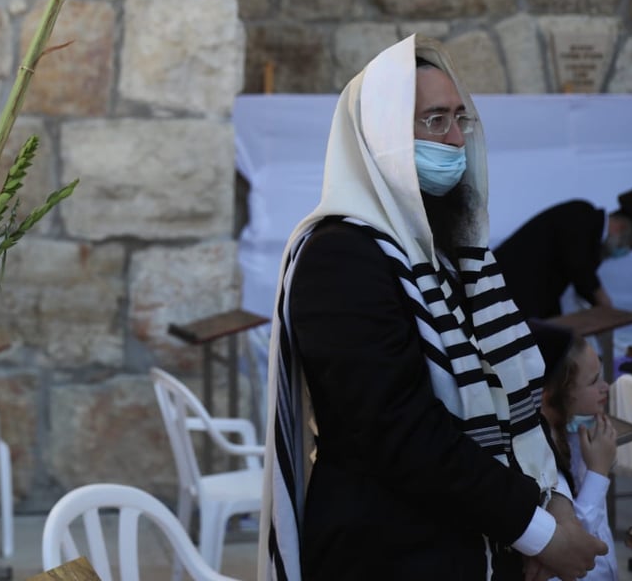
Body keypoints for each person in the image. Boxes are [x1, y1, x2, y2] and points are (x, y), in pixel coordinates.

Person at [259, 35, 607, 580]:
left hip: (469, 537)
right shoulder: (340, 256)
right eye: (433, 121)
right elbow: (401, 433)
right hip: (391, 552)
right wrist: (537, 532)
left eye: (459, 120)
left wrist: (553, 500)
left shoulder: (441, 255)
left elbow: (505, 399)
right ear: (379, 138)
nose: (455, 141)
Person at [533, 324, 618, 581]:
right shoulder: (536, 457)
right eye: (593, 381)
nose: (606, 387)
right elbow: (570, 542)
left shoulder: (575, 428)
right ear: (550, 396)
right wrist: (598, 472)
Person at [495, 191, 632, 320]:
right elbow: (578, 265)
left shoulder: (592, 248)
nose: (627, 251)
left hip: (516, 306)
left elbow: (562, 285)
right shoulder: (582, 213)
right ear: (620, 227)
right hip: (497, 289)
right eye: (630, 244)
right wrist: (600, 296)